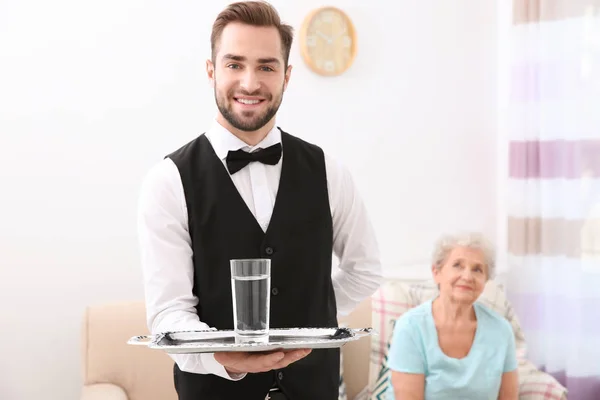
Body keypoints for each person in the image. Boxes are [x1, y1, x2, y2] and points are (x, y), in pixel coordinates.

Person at [136, 1, 382, 399]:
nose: (250, 83)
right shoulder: (168, 182)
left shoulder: (329, 172)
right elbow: (169, 313)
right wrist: (225, 357)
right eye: (234, 64)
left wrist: (309, 321)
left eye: (266, 66)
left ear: (286, 76)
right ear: (211, 70)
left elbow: (365, 270)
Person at [387, 233, 519, 400]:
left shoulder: (501, 330)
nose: (467, 276)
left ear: (485, 280)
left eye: (477, 269)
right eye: (458, 265)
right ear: (437, 272)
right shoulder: (410, 327)